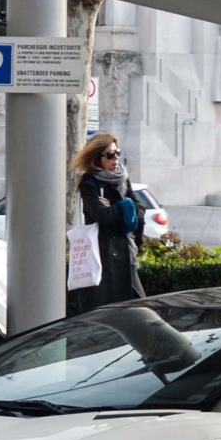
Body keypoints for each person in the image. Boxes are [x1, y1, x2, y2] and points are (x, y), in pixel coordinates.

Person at [68, 132, 145, 313]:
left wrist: (119, 206)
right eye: (110, 155)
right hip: (101, 255)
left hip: (126, 253)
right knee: (104, 312)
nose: (115, 158)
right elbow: (101, 214)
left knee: (140, 307)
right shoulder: (89, 182)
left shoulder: (123, 178)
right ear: (97, 158)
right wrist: (125, 208)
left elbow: (140, 211)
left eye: (117, 153)